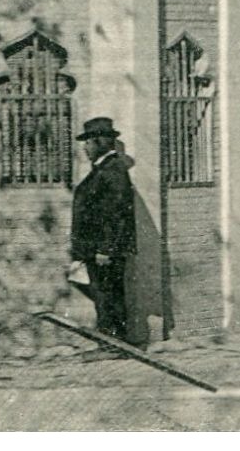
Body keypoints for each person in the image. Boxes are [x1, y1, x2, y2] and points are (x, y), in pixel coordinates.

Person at [69, 116, 136, 338]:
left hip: (104, 250)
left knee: (108, 296)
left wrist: (106, 249)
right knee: (104, 295)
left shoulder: (113, 170)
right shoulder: (103, 168)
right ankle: (112, 341)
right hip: (97, 249)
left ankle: (113, 343)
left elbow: (117, 214)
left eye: (88, 142)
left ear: (99, 142)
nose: (85, 148)